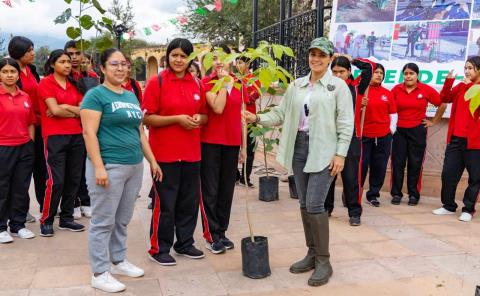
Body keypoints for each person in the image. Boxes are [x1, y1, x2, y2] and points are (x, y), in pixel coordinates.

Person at [244, 37, 354, 287]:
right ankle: (312, 253)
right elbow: (281, 114)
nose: (315, 59)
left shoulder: (338, 87)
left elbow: (346, 123)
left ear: (329, 58)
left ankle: (324, 260)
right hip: (299, 148)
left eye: (321, 55)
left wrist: (340, 154)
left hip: (325, 150)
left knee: (315, 204)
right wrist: (256, 118)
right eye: (312, 54)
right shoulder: (297, 85)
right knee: (304, 203)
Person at [81, 48, 161, 293]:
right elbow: (89, 133)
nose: (121, 68)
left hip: (133, 165)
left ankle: (118, 261)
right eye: (114, 64)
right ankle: (99, 272)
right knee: (103, 221)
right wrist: (98, 167)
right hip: (109, 165)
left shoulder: (130, 96)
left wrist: (152, 161)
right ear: (103, 68)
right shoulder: (95, 96)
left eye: (124, 64)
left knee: (122, 219)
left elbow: (139, 132)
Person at [143, 38, 208, 266]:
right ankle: (159, 248)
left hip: (192, 153)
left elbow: (205, 115)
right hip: (164, 154)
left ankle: (185, 243)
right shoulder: (157, 82)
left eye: (183, 56)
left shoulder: (197, 84)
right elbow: (147, 117)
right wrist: (177, 119)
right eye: (175, 55)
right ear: (168, 56)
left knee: (189, 202)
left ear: (189, 58)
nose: (179, 60)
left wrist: (200, 118)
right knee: (166, 203)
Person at [200, 44, 247, 254]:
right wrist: (223, 84)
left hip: (232, 142)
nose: (219, 61)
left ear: (232, 59)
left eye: (223, 57)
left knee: (227, 191)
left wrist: (244, 147)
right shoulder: (206, 83)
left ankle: (222, 231)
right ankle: (211, 234)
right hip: (210, 143)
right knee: (211, 190)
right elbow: (217, 108)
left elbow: (242, 117)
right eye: (215, 57)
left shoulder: (239, 84)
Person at [37, 49, 86, 237]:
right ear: (52, 64)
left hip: (77, 135)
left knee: (73, 179)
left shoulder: (75, 83)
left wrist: (64, 107)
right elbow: (54, 112)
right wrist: (69, 110)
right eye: (62, 62)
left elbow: (84, 110)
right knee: (56, 180)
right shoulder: (46, 83)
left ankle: (67, 218)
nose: (67, 64)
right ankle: (47, 219)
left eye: (68, 61)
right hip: (55, 136)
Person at [324, 55, 373, 226]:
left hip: (352, 137)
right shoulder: (327, 86)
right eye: (334, 72)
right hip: (329, 137)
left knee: (351, 177)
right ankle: (326, 208)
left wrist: (351, 59)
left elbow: (369, 68)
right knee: (329, 174)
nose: (338, 75)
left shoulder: (357, 85)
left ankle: (354, 212)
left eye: (342, 72)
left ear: (349, 72)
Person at [390, 63, 446, 206]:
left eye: (411, 73)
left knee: (415, 164)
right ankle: (396, 194)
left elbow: (442, 104)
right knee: (398, 163)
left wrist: (433, 121)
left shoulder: (425, 89)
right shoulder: (396, 89)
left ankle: (413, 195)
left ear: (417, 75)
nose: (408, 76)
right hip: (399, 131)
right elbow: (389, 109)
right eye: (406, 73)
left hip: (417, 130)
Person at [432, 56, 480, 222]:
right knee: (448, 174)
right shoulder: (461, 86)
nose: (467, 71)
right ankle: (448, 205)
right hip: (455, 139)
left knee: (475, 177)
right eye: (465, 68)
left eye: (471, 68)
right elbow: (444, 98)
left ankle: (468, 209)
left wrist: (472, 87)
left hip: (474, 142)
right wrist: (449, 81)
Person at [0, 58, 36, 243]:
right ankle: (1, 227)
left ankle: (18, 225)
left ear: (17, 74)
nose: (9, 75)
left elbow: (31, 122)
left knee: (21, 188)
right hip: (3, 148)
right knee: (2, 187)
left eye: (12, 72)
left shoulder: (25, 96)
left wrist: (30, 143)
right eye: (5, 71)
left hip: (24, 148)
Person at [8, 36, 42, 223]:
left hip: (37, 125)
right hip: (18, 128)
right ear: (19, 52)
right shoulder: (10, 72)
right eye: (29, 50)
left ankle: (44, 205)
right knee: (18, 173)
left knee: (37, 168)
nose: (32, 53)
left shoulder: (32, 71)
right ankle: (19, 210)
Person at [358, 63, 397, 207]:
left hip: (383, 137)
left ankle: (373, 195)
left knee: (379, 167)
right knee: (361, 167)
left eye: (381, 73)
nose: (379, 75)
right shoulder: (361, 91)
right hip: (364, 136)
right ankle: (354, 194)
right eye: (376, 72)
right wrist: (360, 104)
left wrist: (390, 131)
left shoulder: (387, 93)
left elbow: (393, 114)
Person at [236, 55, 260, 188]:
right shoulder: (233, 79)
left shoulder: (253, 79)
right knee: (233, 149)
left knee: (250, 150)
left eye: (240, 62)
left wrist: (241, 95)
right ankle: (234, 175)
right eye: (237, 63)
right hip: (235, 118)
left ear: (247, 64)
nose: (237, 65)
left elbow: (253, 96)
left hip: (250, 118)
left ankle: (245, 177)